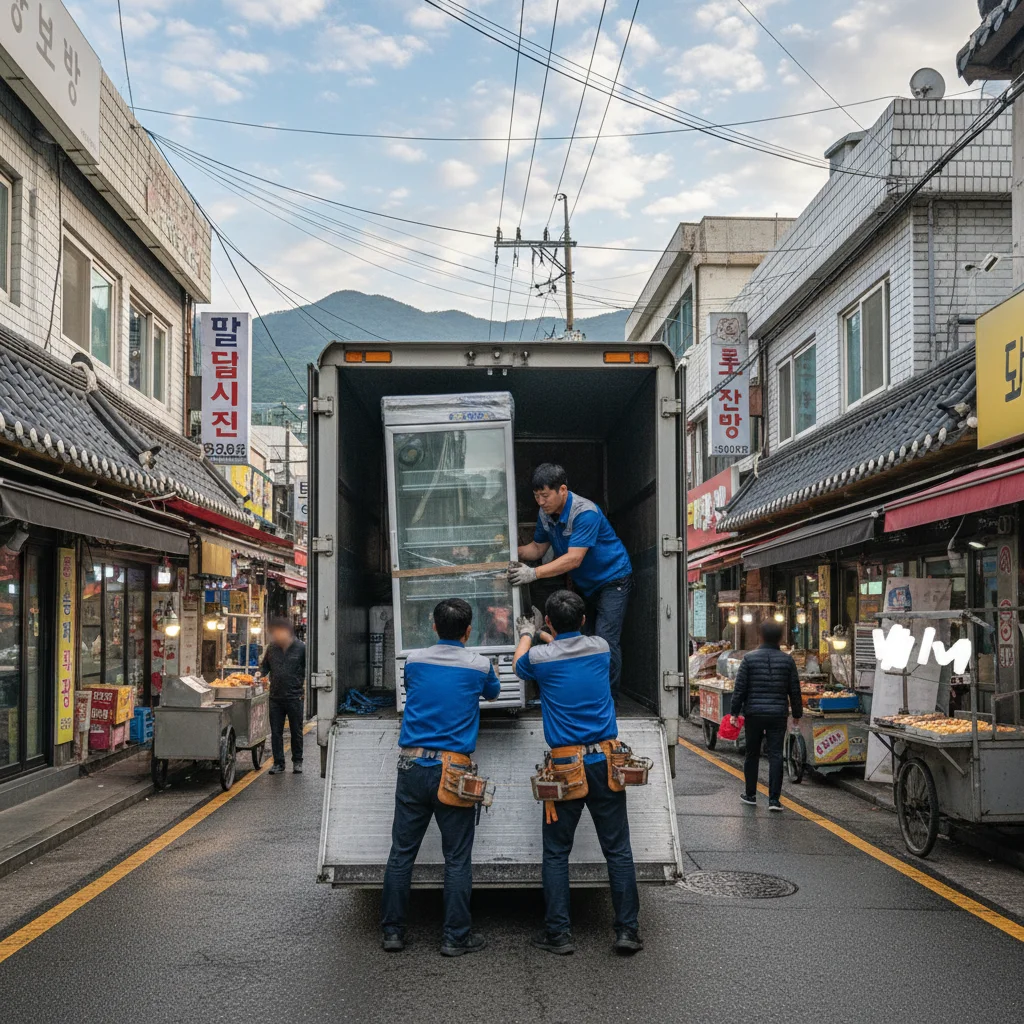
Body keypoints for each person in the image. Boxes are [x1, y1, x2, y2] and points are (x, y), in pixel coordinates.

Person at [514, 590, 642, 956]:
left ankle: (559, 935)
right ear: (584, 620)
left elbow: (519, 664)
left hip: (566, 767)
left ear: (549, 621)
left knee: (557, 852)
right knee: (618, 850)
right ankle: (627, 931)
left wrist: (527, 633)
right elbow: (567, 646)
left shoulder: (540, 658)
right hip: (606, 761)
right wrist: (547, 634)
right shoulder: (600, 648)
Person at [381, 598, 500, 957]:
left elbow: (413, 687)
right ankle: (454, 938)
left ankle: (393, 933)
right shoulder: (479, 665)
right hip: (454, 772)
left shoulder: (415, 661)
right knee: (457, 858)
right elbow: (493, 693)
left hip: (412, 765)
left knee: (402, 854)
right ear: (469, 631)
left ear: (433, 627)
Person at [511, 464, 633, 700]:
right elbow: (537, 549)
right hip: (586, 584)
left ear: (563, 490)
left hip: (613, 578)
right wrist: (508, 551)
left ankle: (608, 699)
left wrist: (533, 574)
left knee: (605, 641)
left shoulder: (585, 512)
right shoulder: (545, 514)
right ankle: (584, 693)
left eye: (545, 495)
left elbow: (574, 559)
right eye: (536, 496)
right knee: (581, 641)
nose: (540, 502)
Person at [729, 620, 803, 812]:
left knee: (752, 753)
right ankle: (774, 800)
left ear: (760, 636)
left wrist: (734, 712)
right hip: (778, 714)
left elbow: (740, 689)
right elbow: (795, 689)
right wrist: (797, 713)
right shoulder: (787, 661)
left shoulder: (749, 659)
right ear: (780, 638)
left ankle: (750, 795)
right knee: (776, 754)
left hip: (754, 713)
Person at [259, 617, 306, 775]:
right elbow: (264, 667)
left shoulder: (301, 648)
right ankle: (278, 763)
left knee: (296, 731)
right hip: (275, 697)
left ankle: (297, 761)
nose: (276, 635)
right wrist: (259, 675)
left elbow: (308, 668)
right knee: (276, 732)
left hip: (295, 696)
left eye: (279, 632)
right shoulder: (272, 648)